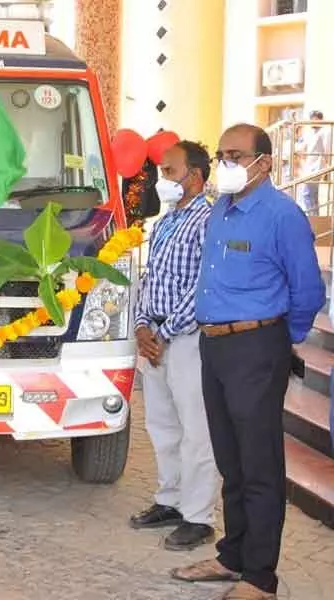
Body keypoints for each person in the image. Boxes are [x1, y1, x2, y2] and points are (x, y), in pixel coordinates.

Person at [173, 124, 325, 600]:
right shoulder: (222, 209)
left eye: (236, 155)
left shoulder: (283, 216)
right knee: (230, 459)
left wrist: (281, 340)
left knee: (259, 464)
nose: (226, 165)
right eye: (222, 156)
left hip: (256, 347)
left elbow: (308, 291)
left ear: (266, 162)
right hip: (214, 345)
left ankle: (260, 577)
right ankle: (232, 555)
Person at [130, 141, 217, 551]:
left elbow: (203, 285)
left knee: (195, 430)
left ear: (195, 176)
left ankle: (198, 516)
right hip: (156, 338)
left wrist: (164, 334)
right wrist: (143, 325)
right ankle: (170, 500)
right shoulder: (166, 220)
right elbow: (153, 278)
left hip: (187, 339)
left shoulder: (209, 219)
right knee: (161, 426)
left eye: (169, 171)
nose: (161, 178)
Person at [297, 110, 330, 216]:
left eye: (314, 119)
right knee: (311, 195)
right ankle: (314, 217)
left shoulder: (325, 132)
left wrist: (327, 170)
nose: (311, 122)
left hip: (317, 168)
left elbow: (327, 151)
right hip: (309, 167)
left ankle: (312, 217)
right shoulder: (310, 133)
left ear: (320, 119)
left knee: (307, 194)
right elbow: (303, 149)